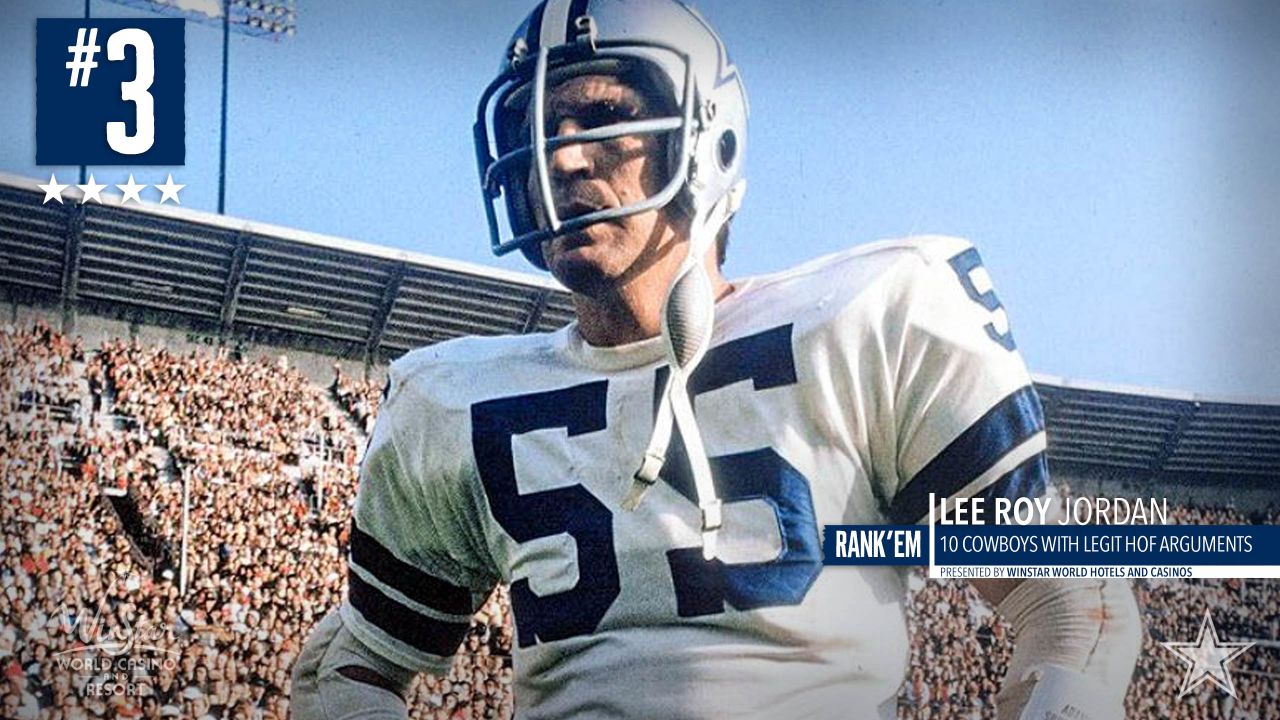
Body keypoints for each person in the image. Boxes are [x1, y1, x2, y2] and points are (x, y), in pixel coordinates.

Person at [292, 1, 1142, 718]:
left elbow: (1069, 600)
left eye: (602, 119)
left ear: (710, 145)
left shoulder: (871, 315)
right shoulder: (449, 400)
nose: (562, 156)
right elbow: (354, 664)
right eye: (539, 129)